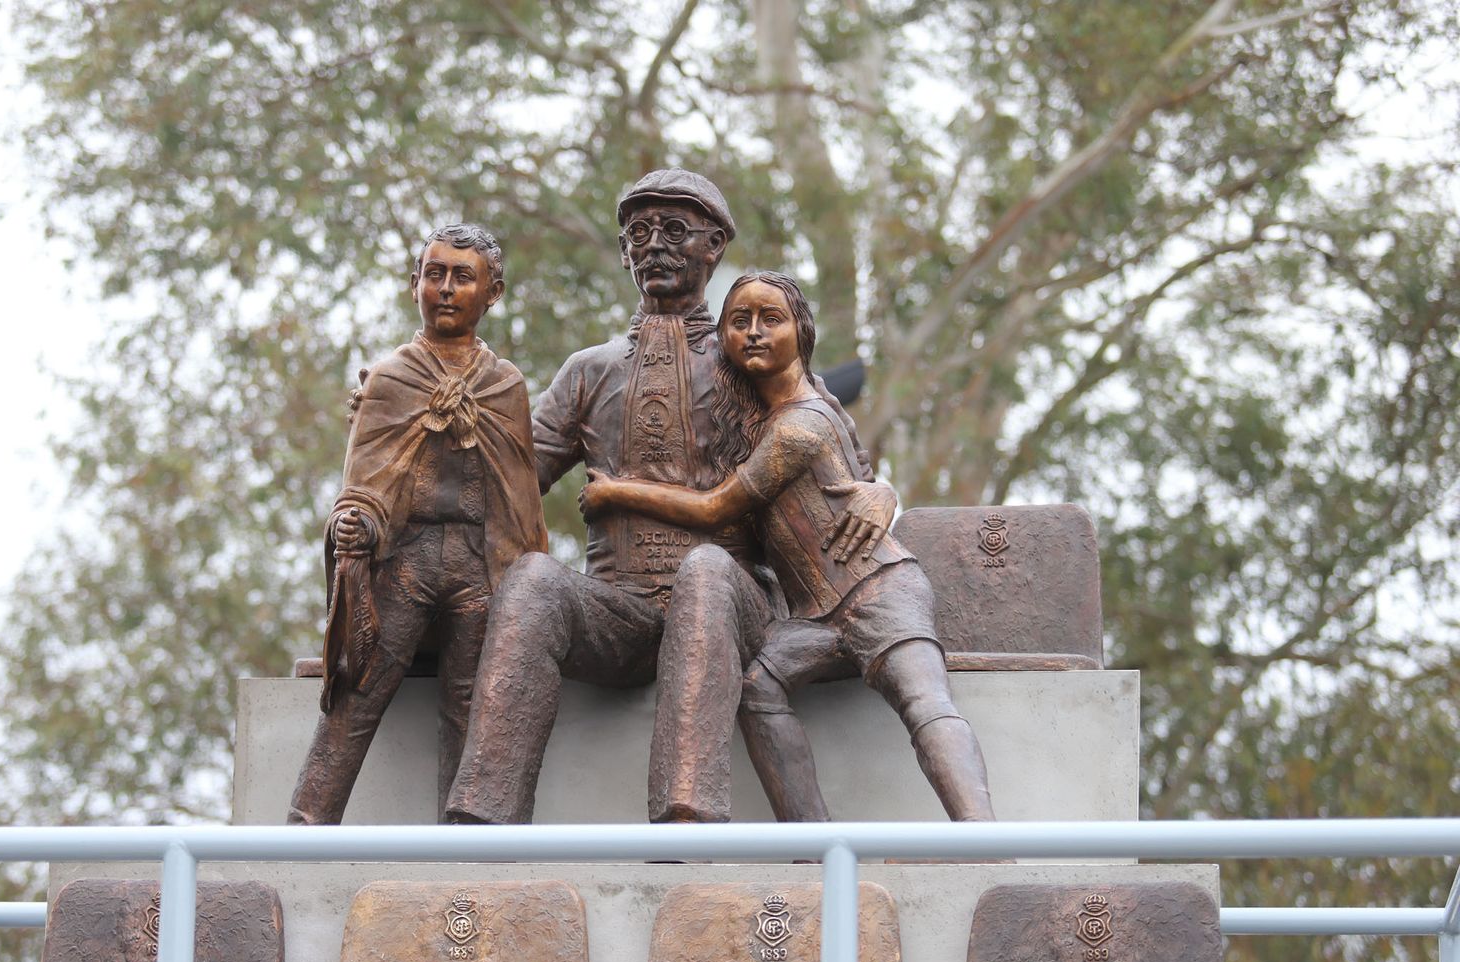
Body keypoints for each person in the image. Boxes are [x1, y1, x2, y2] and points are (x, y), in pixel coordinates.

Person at [442, 170, 897, 826]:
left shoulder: (752, 354)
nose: (654, 245)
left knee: (705, 571)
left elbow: (842, 458)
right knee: (535, 579)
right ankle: (481, 824)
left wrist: (883, 492)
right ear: (624, 251)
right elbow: (507, 480)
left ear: (714, 246)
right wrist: (420, 424)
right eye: (640, 233)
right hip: (620, 608)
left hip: (731, 605)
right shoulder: (590, 370)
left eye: (675, 230)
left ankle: (688, 819)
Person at [580, 270, 996, 823]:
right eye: (739, 321)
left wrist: (615, 490)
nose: (753, 332)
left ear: (801, 331)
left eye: (770, 319)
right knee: (759, 687)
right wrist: (882, 490)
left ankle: (982, 841)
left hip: (878, 590)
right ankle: (814, 847)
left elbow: (716, 508)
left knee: (925, 702)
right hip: (816, 617)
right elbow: (861, 481)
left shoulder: (800, 424)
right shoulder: (760, 416)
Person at [287, 223, 548, 825]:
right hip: (407, 561)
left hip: (480, 566)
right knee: (357, 693)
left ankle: (462, 855)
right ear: (414, 285)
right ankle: (303, 832)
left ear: (493, 292)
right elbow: (365, 482)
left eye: (463, 277)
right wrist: (357, 524)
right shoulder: (392, 378)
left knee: (471, 707)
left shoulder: (505, 385)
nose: (447, 289)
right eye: (435, 275)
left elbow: (519, 500)